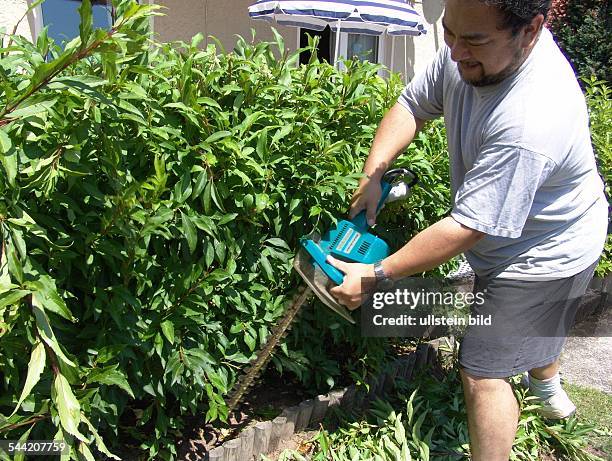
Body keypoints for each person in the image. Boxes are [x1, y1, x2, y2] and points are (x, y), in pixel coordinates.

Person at [325, 0, 608, 460]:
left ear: (531, 30)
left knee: (482, 371)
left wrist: (377, 275)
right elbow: (412, 104)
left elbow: (469, 225)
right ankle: (547, 388)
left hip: (551, 248)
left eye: (474, 41)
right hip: (510, 233)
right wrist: (373, 174)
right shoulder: (469, 41)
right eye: (450, 34)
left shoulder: (533, 118)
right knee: (537, 325)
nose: (455, 53)